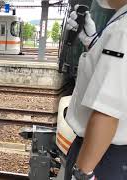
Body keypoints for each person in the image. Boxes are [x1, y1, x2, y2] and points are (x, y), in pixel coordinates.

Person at [64, 0, 127, 179]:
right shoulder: (120, 20)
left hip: (104, 158)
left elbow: (107, 113)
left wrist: (83, 174)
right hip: (108, 154)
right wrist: (93, 42)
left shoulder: (123, 29)